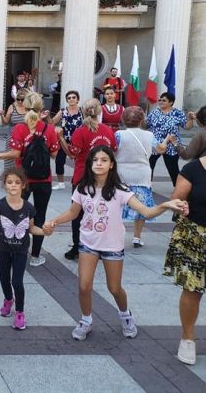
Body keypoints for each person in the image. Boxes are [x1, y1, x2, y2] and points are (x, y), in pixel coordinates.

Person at [43, 146, 186, 341]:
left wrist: (165, 205)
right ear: (90, 164)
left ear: (111, 164)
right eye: (95, 160)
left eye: (103, 160)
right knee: (83, 286)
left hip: (112, 246)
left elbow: (146, 211)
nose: (99, 164)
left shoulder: (120, 190)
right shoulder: (83, 187)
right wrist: (54, 222)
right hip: (88, 244)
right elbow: (73, 213)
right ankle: (86, 320)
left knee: (114, 288)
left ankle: (125, 316)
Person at [0, 92, 59, 267]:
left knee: (17, 215)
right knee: (40, 216)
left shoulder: (20, 128)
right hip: (44, 179)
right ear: (41, 108)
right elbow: (54, 154)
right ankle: (35, 256)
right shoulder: (48, 128)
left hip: (23, 179)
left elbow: (15, 153)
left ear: (24, 107)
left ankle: (17, 251)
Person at [0, 168, 45, 330]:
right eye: (9, 182)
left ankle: (20, 312)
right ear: (5, 185)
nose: (13, 185)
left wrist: (44, 232)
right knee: (4, 278)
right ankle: (8, 299)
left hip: (21, 250)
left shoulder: (29, 208)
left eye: (17, 182)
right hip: (4, 248)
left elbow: (31, 228)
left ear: (23, 185)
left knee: (17, 281)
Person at [56, 98, 117, 260]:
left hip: (82, 177)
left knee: (77, 214)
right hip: (103, 178)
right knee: (101, 212)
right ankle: (99, 246)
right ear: (99, 112)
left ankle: (77, 246)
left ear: (83, 112)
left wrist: (61, 138)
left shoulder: (80, 131)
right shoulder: (108, 131)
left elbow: (72, 153)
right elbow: (114, 150)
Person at [163, 154, 206, 365]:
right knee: (193, 290)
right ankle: (187, 337)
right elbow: (176, 200)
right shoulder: (193, 169)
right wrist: (181, 206)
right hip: (196, 236)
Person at [116, 107, 170, 248]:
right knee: (142, 207)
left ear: (124, 120)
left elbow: (112, 151)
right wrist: (167, 140)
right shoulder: (149, 135)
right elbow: (160, 149)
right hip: (142, 174)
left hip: (122, 174)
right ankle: (137, 237)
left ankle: (116, 235)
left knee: (117, 206)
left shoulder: (119, 134)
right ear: (141, 120)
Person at [146, 92, 195, 186]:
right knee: (149, 167)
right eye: (160, 100)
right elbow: (145, 125)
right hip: (155, 145)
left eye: (164, 100)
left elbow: (187, 127)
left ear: (171, 102)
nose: (160, 102)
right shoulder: (154, 112)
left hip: (171, 145)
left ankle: (179, 188)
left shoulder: (178, 113)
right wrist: (139, 118)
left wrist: (190, 119)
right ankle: (147, 187)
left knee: (173, 169)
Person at [49, 90, 83, 190]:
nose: (71, 99)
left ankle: (79, 181)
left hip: (79, 141)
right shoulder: (63, 111)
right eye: (69, 98)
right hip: (63, 140)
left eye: (73, 97)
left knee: (80, 161)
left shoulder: (82, 111)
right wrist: (47, 117)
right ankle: (61, 183)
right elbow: (52, 122)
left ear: (77, 99)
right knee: (59, 161)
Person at [0, 88, 29, 171]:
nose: (20, 101)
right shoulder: (12, 107)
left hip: (25, 137)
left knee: (24, 158)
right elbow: (6, 122)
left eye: (22, 100)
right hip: (12, 137)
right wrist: (2, 115)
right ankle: (9, 176)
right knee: (10, 158)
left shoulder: (30, 108)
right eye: (18, 99)